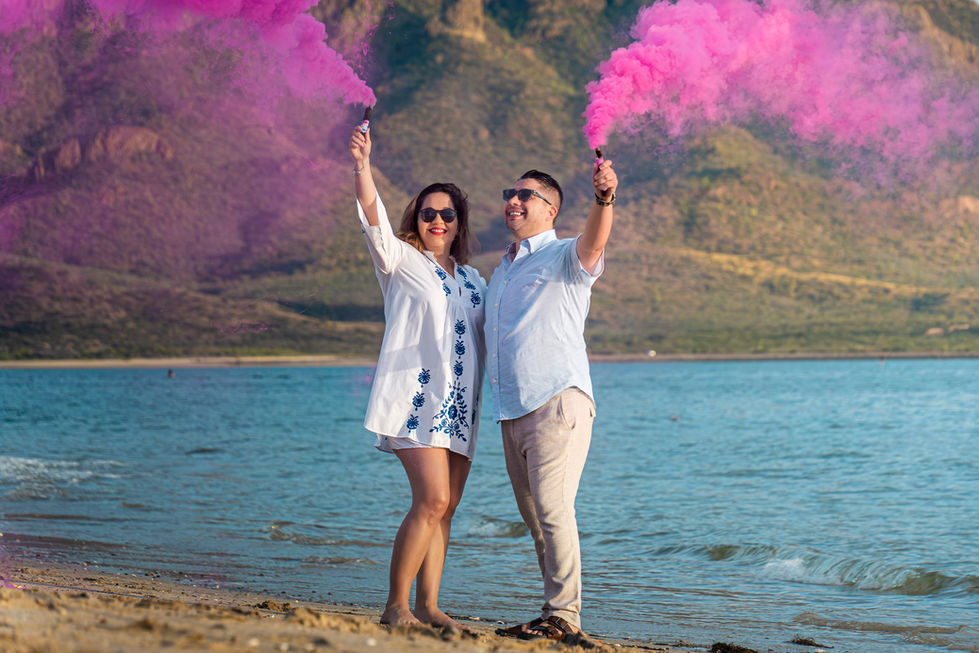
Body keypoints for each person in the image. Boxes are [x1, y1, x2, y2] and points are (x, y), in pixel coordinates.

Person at [349, 123, 486, 630]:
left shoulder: (474, 280)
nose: (436, 220)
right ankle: (395, 607)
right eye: (427, 212)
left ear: (458, 222)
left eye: (446, 214)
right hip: (414, 399)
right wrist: (363, 166)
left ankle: (429, 606)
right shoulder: (399, 260)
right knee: (430, 499)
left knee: (445, 509)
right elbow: (372, 216)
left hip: (460, 411)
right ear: (417, 218)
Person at [487, 161, 618, 643]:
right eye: (510, 193)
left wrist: (604, 200)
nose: (514, 200)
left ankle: (566, 615)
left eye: (526, 195)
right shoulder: (501, 270)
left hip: (558, 401)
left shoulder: (566, 255)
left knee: (554, 509)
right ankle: (555, 613)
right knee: (537, 517)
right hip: (512, 411)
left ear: (551, 209)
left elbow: (596, 240)